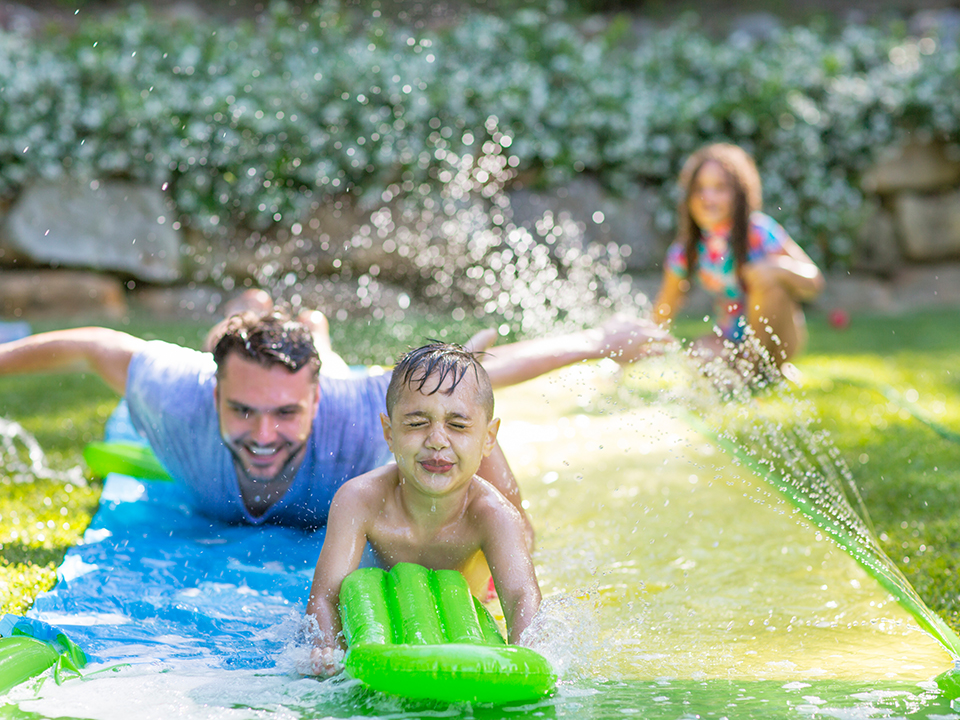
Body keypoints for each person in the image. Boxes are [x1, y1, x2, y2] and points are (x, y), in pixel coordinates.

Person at [0, 294, 668, 530]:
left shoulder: (351, 404)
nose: (263, 435)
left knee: (334, 361)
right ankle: (253, 304)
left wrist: (597, 344)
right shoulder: (175, 391)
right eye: (241, 410)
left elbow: (475, 374)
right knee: (227, 332)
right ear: (212, 394)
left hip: (338, 379)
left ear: (316, 401)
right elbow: (90, 344)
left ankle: (314, 332)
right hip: (239, 359)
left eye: (287, 413)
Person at [304, 342, 541, 675]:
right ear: (389, 433)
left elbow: (520, 598)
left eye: (457, 425)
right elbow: (324, 598)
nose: (437, 440)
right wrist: (325, 652)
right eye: (416, 423)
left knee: (522, 528)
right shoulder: (359, 500)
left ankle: (471, 375)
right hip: (392, 585)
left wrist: (530, 658)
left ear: (490, 437)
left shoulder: (493, 516)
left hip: (478, 591)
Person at [652, 143, 824, 375]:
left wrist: (776, 268)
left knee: (766, 282)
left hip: (780, 337)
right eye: (699, 188)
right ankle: (750, 372)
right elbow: (664, 309)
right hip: (731, 338)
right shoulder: (688, 249)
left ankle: (761, 368)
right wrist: (625, 357)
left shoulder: (760, 232)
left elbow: (814, 282)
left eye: (720, 188)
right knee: (698, 353)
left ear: (740, 193)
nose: (708, 197)